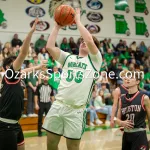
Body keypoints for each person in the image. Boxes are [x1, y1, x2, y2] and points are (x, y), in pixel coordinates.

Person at [42, 8, 102, 150]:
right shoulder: (68, 57)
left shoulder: (95, 60)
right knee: (51, 144)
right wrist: (57, 26)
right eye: (81, 40)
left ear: (95, 48)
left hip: (76, 111)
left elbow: (88, 38)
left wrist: (78, 21)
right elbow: (50, 46)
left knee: (73, 147)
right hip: (58, 105)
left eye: (88, 42)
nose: (84, 41)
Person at [0, 19, 39, 150]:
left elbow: (25, 70)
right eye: (14, 62)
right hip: (6, 126)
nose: (18, 64)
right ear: (7, 67)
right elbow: (23, 53)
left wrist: (39, 66)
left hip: (16, 124)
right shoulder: (9, 75)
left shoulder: (15, 76)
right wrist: (31, 32)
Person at [114, 71, 150, 150]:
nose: (128, 79)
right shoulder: (122, 99)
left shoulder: (144, 98)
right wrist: (121, 123)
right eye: (127, 77)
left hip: (139, 135)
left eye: (131, 77)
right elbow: (115, 119)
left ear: (137, 81)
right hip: (126, 136)